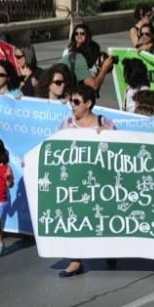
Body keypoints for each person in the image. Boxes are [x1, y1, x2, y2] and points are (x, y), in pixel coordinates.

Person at [58, 85, 116, 278]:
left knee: (100, 218)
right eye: (70, 102)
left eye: (76, 102)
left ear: (88, 104)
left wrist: (106, 138)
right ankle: (76, 261)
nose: (72, 106)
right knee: (75, 219)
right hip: (76, 182)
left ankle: (109, 249)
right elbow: (55, 148)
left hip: (99, 183)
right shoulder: (66, 124)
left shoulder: (104, 123)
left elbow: (120, 151)